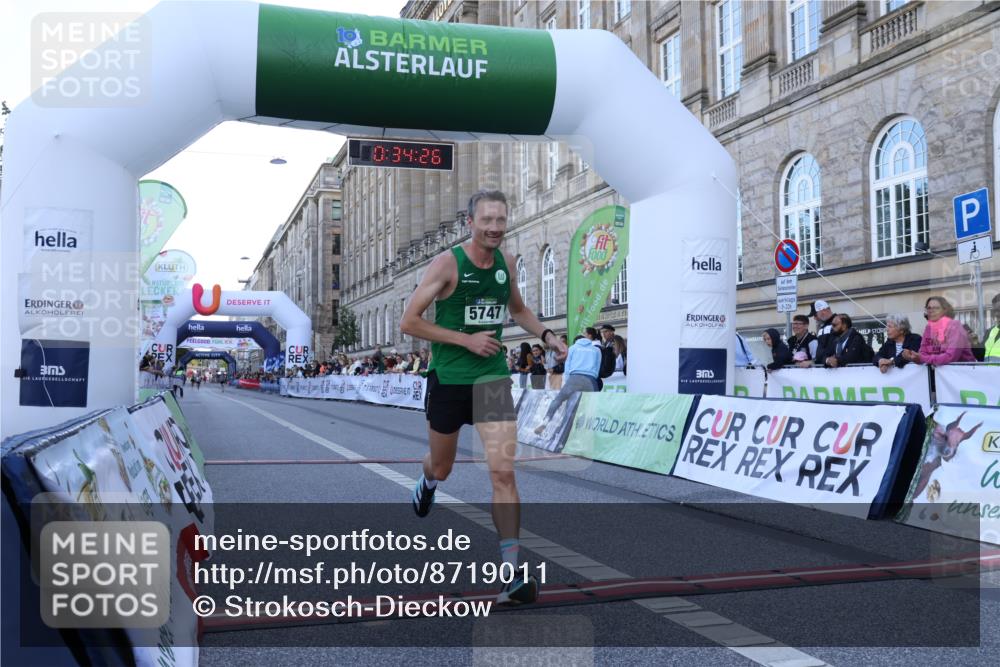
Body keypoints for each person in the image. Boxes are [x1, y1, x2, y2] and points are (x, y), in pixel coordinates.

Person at [399, 189, 567, 606]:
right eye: (486, 220)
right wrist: (464, 340)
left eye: (500, 220)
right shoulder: (447, 264)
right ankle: (427, 481)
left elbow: (518, 309)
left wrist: (546, 335)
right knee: (443, 467)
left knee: (503, 473)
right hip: (450, 379)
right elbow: (409, 322)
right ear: (470, 222)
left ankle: (510, 571)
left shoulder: (507, 264)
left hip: (492, 380)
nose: (494, 227)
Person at [534, 335, 601, 435]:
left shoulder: (572, 348)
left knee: (559, 400)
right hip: (590, 379)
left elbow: (567, 367)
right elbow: (597, 366)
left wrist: (568, 382)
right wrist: (593, 377)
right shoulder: (596, 350)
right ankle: (591, 431)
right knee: (593, 405)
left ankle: (546, 422)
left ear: (575, 342)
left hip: (574, 378)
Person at [903, 296, 975, 367]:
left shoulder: (955, 326)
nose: (931, 311)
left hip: (962, 373)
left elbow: (951, 357)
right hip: (938, 374)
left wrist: (923, 359)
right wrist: (914, 358)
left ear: (945, 310)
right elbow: (923, 352)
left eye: (936, 308)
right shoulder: (929, 328)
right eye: (929, 308)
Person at [985, 294, 1000, 363]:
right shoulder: (990, 331)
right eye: (995, 311)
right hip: (987, 373)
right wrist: (973, 344)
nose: (996, 314)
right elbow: (980, 355)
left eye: (999, 310)